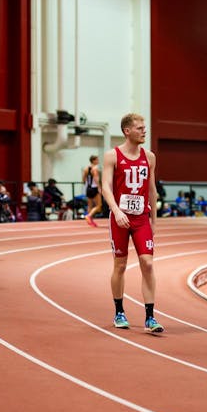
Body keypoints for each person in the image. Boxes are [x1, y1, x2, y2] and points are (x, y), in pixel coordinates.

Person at [101, 113, 163, 333]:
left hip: (140, 218)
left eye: (144, 127)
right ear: (127, 131)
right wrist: (116, 210)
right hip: (120, 218)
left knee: (147, 263)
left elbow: (152, 190)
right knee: (120, 265)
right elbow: (105, 187)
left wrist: (154, 221)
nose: (144, 131)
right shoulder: (112, 156)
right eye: (139, 128)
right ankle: (119, 311)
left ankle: (150, 317)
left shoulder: (150, 157)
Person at [83, 155, 102, 226]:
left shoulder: (86, 169)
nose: (98, 161)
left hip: (88, 188)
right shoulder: (95, 168)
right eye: (97, 160)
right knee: (99, 205)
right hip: (94, 188)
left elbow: (83, 179)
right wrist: (99, 188)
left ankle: (90, 220)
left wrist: (87, 185)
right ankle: (89, 216)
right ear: (93, 160)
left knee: (90, 206)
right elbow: (96, 178)